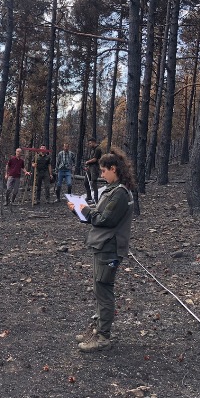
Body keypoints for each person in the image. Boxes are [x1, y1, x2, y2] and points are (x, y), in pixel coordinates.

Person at [67, 148, 136, 352]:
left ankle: (103, 336)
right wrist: (81, 210)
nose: (101, 175)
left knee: (104, 290)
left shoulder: (121, 193)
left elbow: (104, 219)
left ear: (113, 169)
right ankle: (97, 328)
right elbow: (99, 213)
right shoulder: (112, 190)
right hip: (102, 245)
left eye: (104, 171)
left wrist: (84, 210)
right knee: (98, 288)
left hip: (110, 247)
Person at [83, 137, 103, 204]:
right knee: (86, 182)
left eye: (90, 143)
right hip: (90, 167)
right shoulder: (92, 149)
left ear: (94, 142)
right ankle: (89, 196)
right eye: (89, 143)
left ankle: (95, 199)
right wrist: (87, 165)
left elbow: (94, 159)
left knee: (93, 183)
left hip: (94, 167)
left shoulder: (98, 149)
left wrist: (87, 162)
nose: (89, 144)